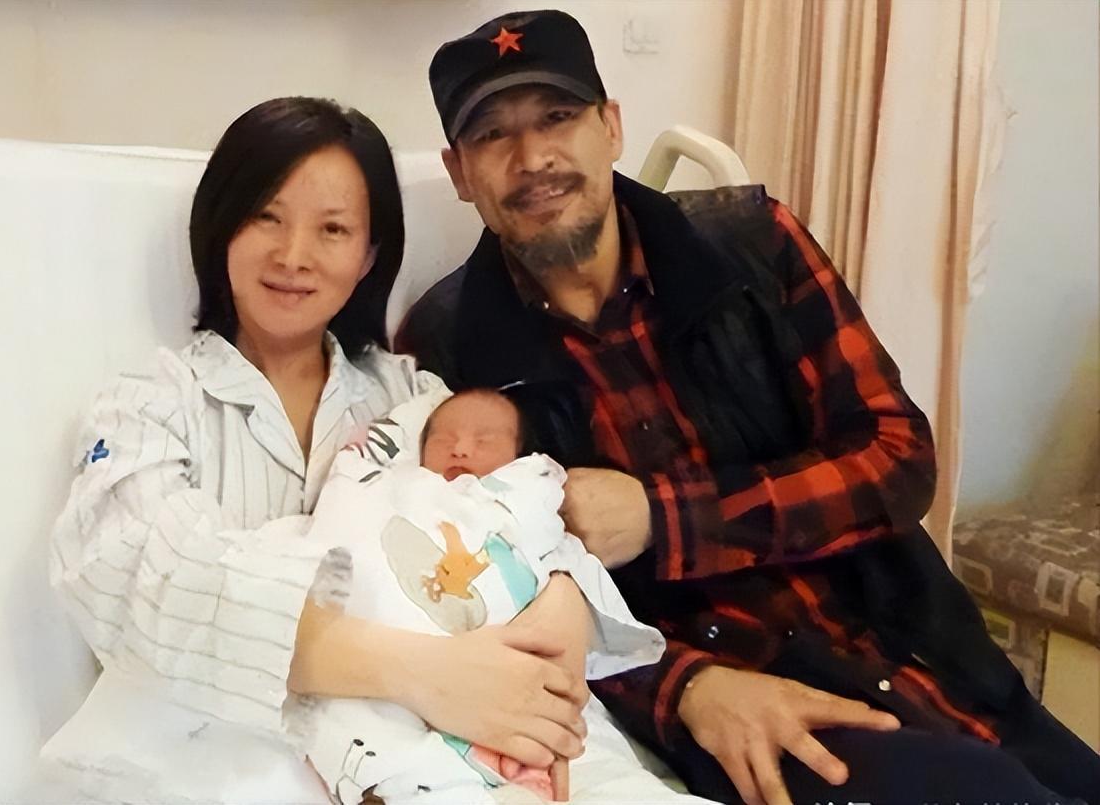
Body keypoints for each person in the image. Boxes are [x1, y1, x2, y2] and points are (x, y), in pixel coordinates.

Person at [397, 10, 1100, 805]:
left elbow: (898, 458)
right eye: (493, 135)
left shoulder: (755, 249)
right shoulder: (448, 351)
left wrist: (663, 518)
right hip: (746, 701)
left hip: (916, 647)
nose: (533, 159)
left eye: (557, 116)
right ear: (460, 172)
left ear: (611, 127)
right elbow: (480, 595)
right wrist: (684, 688)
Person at [45, 95, 701, 805]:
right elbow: (135, 576)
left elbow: (513, 515)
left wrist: (563, 603)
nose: (293, 256)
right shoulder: (150, 405)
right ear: (220, 228)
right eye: (266, 217)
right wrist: (416, 671)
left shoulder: (414, 398)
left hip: (462, 747)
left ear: (368, 257)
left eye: (332, 229)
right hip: (249, 759)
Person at [300, 387, 678, 804]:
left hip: (519, 682)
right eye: (444, 438)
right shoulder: (391, 487)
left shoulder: (527, 499)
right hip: (396, 676)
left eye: (485, 440)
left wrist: (566, 593)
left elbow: (569, 568)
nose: (460, 448)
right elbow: (345, 530)